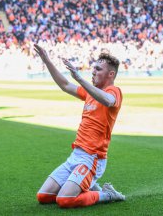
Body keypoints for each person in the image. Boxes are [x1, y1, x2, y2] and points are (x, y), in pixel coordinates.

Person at [34, 44, 125, 208]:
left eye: (98, 69)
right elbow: (65, 85)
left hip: (92, 158)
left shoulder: (114, 91)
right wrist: (46, 60)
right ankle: (88, 184)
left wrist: (80, 79)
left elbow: (108, 101)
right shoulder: (91, 92)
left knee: (65, 200)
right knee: (43, 196)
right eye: (94, 68)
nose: (93, 71)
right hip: (75, 156)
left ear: (110, 74)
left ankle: (107, 194)